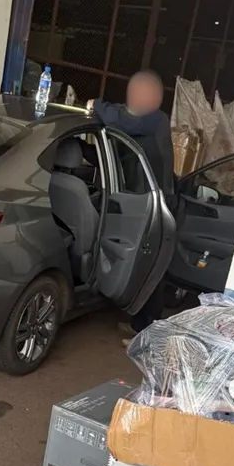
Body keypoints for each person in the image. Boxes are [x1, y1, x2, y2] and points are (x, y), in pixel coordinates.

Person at [88, 70, 175, 339]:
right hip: (139, 197)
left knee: (152, 267)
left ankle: (146, 332)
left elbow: (125, 121)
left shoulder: (155, 119)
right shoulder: (141, 122)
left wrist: (96, 105)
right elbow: (117, 148)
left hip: (154, 202)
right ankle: (141, 325)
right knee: (149, 264)